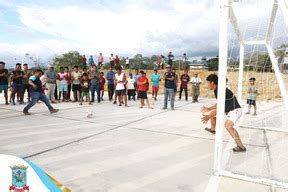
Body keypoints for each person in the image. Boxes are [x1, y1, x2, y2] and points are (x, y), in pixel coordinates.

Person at [201, 74, 246, 152]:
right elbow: (219, 104)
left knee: (228, 126)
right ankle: (212, 129)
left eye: (208, 83)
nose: (207, 85)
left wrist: (209, 115)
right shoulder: (217, 90)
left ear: (212, 83)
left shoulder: (221, 91)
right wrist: (209, 109)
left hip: (235, 110)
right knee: (213, 115)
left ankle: (241, 146)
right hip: (229, 110)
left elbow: (220, 108)